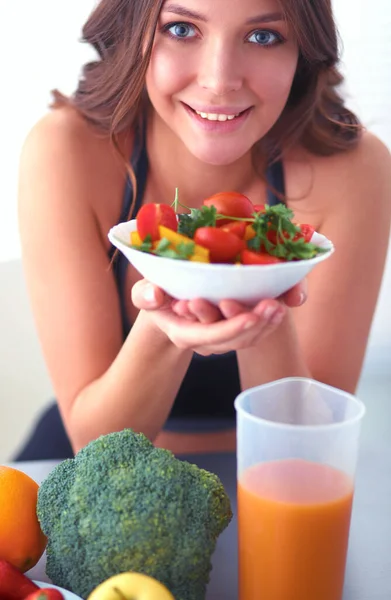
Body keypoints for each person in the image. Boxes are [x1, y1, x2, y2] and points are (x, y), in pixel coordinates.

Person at [15, 0, 391, 461]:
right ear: (135, 29)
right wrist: (165, 320)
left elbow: (308, 448)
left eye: (263, 36)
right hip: (90, 476)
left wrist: (259, 300)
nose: (219, 81)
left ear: (304, 49)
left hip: (266, 480)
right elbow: (96, 446)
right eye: (181, 28)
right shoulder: (66, 152)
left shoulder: (356, 169)